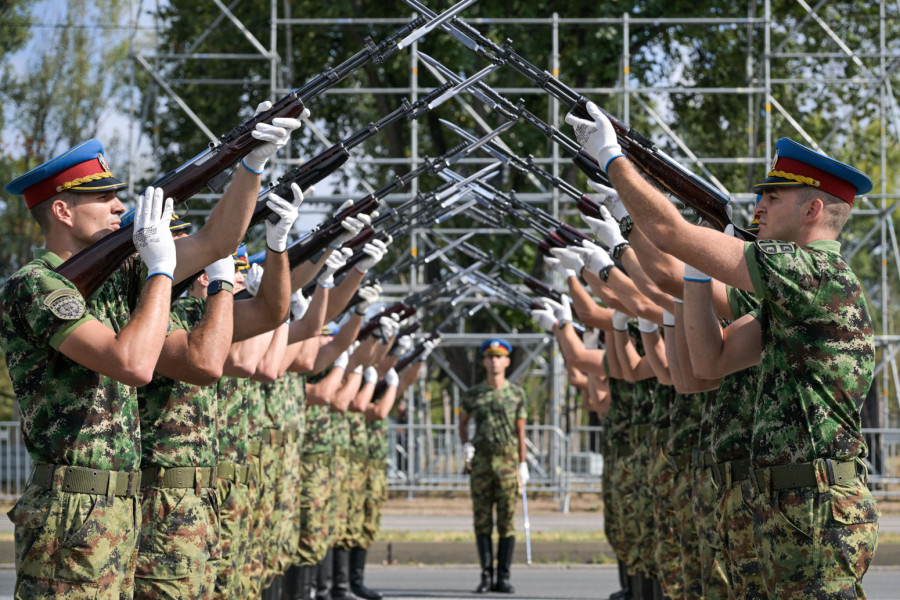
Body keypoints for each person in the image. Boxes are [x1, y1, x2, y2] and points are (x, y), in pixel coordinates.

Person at [566, 104, 879, 598]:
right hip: (784, 506)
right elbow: (708, 362)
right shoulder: (790, 301)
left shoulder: (815, 274)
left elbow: (672, 236)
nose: (758, 209)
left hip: (817, 509)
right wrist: (697, 267)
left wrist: (612, 157)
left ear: (812, 209)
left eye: (772, 199)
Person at [459, 338, 528, 594]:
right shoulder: (474, 393)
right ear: (484, 361)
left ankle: (504, 576)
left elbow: (520, 431)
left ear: (507, 361)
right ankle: (486, 576)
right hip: (482, 462)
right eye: (490, 356)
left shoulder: (516, 394)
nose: (494, 361)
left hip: (508, 461)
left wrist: (522, 463)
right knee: (482, 520)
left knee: (507, 521)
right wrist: (465, 445)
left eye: (499, 356)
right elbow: (463, 422)